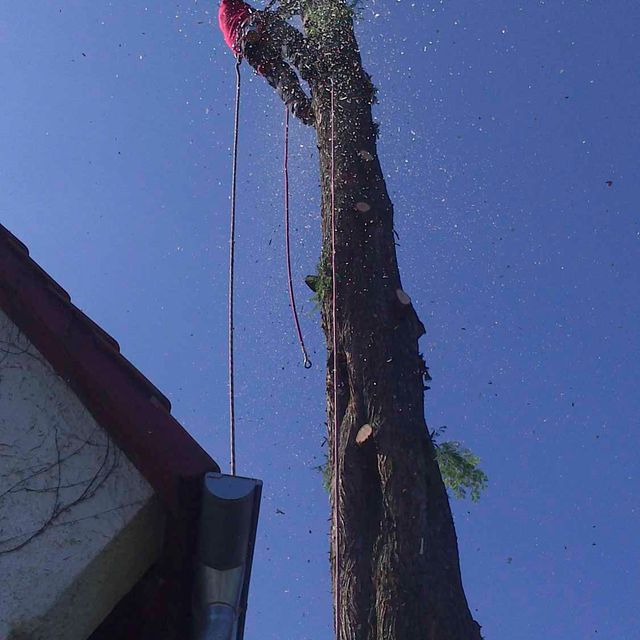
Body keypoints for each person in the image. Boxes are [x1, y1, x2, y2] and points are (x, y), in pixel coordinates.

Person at [218, 0, 314, 125]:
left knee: (281, 76)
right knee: (290, 39)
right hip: (252, 29)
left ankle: (301, 108)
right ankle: (310, 63)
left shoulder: (227, 17)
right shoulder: (228, 4)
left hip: (249, 50)